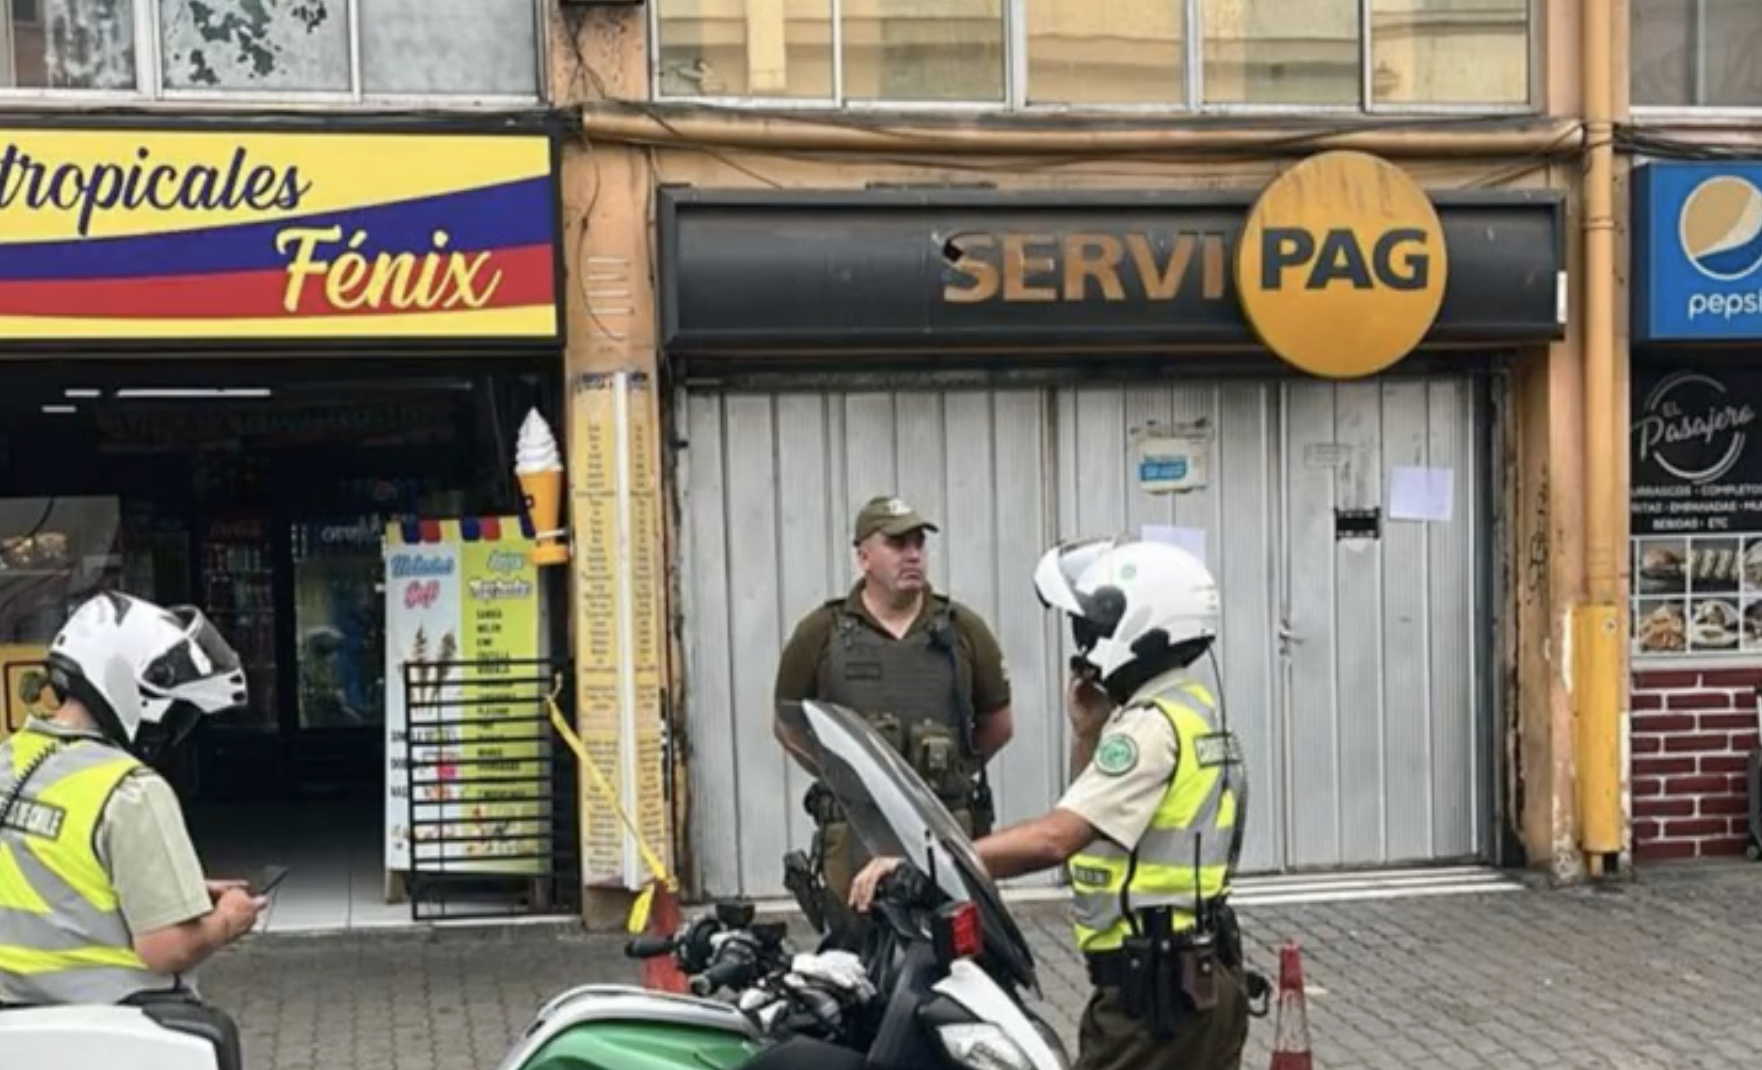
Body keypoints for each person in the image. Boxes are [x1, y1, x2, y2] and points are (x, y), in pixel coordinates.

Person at [848, 536, 1257, 1070]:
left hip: (1154, 1003)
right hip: (1202, 982)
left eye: (1089, 625)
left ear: (1135, 625)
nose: (1082, 642)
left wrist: (928, 859)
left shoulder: (1148, 729)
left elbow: (1056, 839)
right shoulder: (1194, 710)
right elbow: (1103, 815)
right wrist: (1087, 734)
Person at [0, 591, 264, 1008]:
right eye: (179, 714)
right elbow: (167, 949)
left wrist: (168, 890)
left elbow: (48, 879)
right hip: (112, 1021)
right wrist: (230, 919)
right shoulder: (131, 791)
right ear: (141, 695)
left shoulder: (9, 761)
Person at [774, 494, 1014, 935]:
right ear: (864, 556)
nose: (913, 555)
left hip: (943, 828)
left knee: (955, 953)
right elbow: (787, 723)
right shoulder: (822, 632)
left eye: (919, 543)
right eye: (898, 543)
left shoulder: (963, 629)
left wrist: (951, 771)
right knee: (854, 955)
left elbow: (998, 724)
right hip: (854, 833)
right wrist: (839, 776)